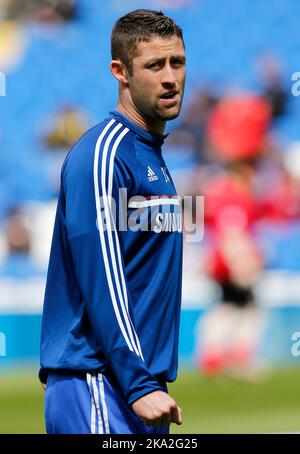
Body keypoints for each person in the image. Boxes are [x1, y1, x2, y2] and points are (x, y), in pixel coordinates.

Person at [39, 9, 186, 434]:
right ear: (120, 71)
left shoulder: (149, 155)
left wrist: (145, 383)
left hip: (133, 387)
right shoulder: (102, 156)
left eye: (177, 62)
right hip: (100, 386)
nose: (170, 78)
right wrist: (139, 385)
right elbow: (102, 276)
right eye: (154, 65)